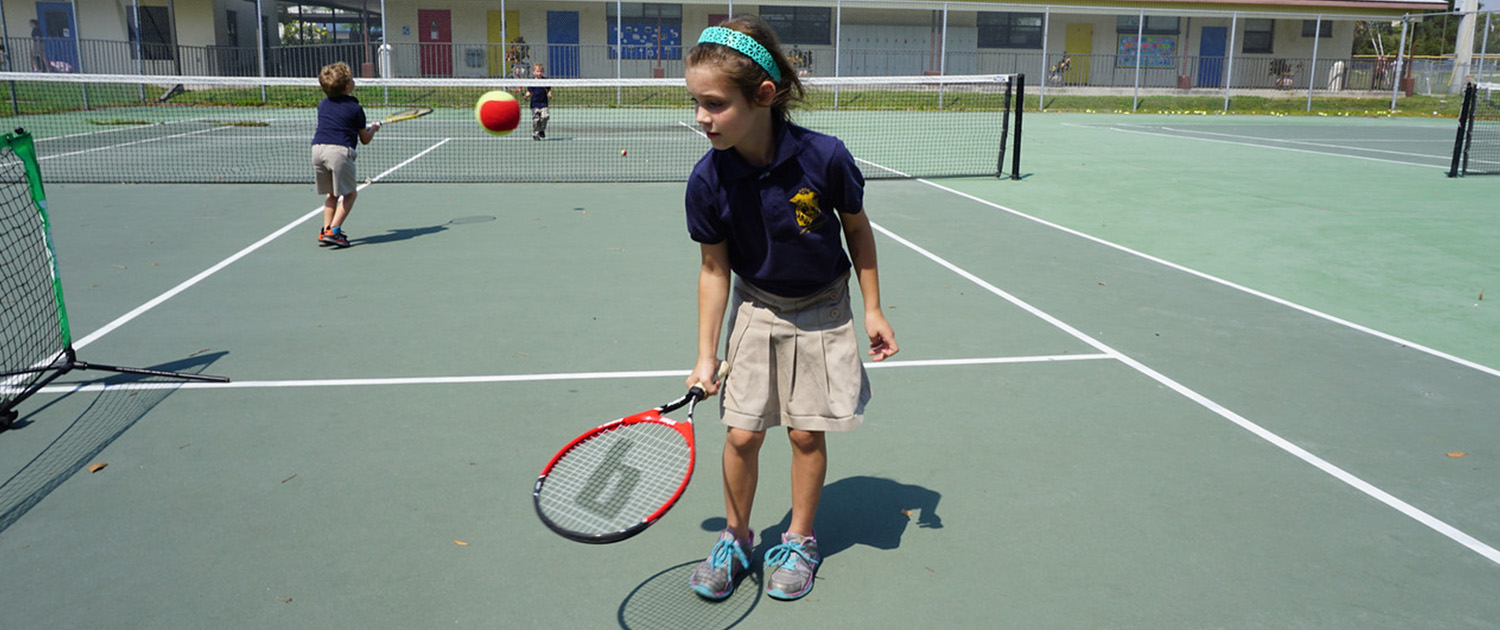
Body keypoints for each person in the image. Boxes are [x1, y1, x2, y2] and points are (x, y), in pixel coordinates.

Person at [682, 16, 898, 603]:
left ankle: (800, 539)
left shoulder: (824, 158)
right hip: (757, 308)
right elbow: (714, 270)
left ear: (764, 96)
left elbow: (859, 231)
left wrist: (873, 308)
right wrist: (706, 355)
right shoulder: (708, 181)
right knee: (743, 435)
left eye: (714, 104)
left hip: (825, 309)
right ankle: (735, 536)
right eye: (695, 102)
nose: (701, 117)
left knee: (805, 435)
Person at [310, 62, 379, 248]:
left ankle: (325, 230)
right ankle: (334, 230)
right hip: (338, 152)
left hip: (317, 150)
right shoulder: (355, 108)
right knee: (350, 194)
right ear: (348, 86)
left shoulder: (323, 105)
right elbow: (364, 139)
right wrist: (373, 129)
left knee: (331, 194)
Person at [523, 63, 551, 140]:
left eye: (540, 71)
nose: (539, 73)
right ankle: (535, 133)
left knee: (545, 117)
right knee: (536, 120)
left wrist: (549, 93)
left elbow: (549, 88)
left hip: (544, 103)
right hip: (534, 104)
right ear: (533, 72)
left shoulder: (545, 81)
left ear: (543, 72)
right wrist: (526, 96)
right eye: (537, 71)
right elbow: (529, 91)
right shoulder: (532, 82)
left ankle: (542, 130)